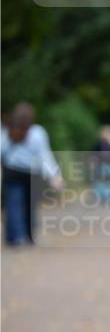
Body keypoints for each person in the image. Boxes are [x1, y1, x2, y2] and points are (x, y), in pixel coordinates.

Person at [1, 103, 62, 245]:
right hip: (32, 173)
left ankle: (14, 237)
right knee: (30, 205)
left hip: (12, 171)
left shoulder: (7, 131)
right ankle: (29, 236)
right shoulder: (38, 132)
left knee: (13, 204)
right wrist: (54, 175)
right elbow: (44, 156)